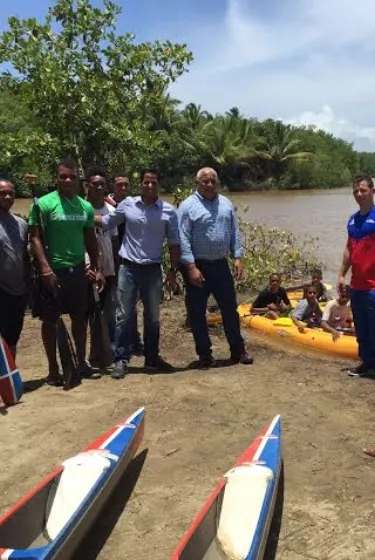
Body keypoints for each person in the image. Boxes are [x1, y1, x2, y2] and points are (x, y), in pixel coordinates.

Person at [94, 167, 180, 378]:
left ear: (159, 184)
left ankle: (152, 358)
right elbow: (106, 222)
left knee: (153, 317)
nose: (149, 186)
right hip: (128, 268)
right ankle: (121, 360)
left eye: (154, 182)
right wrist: (81, 214)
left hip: (153, 270)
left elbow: (174, 243)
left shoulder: (168, 211)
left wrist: (173, 270)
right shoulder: (127, 205)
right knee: (124, 316)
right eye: (146, 182)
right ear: (140, 184)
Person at [28, 158, 104, 386]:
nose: (67, 180)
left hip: (78, 270)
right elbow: (34, 238)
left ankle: (81, 363)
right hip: (53, 271)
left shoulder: (85, 206)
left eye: (71, 176)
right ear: (57, 178)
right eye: (63, 176)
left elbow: (91, 240)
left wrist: (98, 269)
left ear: (78, 179)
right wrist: (45, 269)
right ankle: (53, 370)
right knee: (50, 321)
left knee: (79, 318)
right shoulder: (42, 204)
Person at [178, 167, 253, 369]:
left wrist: (237, 256)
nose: (210, 184)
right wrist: (191, 267)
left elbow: (234, 231)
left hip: (221, 265)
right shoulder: (187, 207)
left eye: (213, 181)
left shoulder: (226, 204)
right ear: (197, 183)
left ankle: (238, 350)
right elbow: (183, 238)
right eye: (205, 181)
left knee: (230, 309)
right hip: (198, 267)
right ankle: (204, 354)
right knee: (197, 313)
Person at [338, 175, 375, 377]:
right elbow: (349, 250)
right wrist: (341, 275)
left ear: (372, 191)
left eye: (363, 190)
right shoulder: (353, 220)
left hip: (373, 286)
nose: (359, 194)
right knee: (361, 329)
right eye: (355, 191)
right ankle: (366, 364)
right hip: (357, 285)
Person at [105, 173, 143, 355]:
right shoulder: (106, 206)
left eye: (126, 185)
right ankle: (116, 343)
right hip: (111, 259)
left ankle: (135, 340)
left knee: (131, 303)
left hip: (130, 260)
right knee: (115, 306)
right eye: (119, 185)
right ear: (113, 187)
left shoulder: (135, 205)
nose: (123, 188)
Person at [86, 168, 118, 353]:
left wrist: (115, 266)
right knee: (90, 312)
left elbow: (114, 240)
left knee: (110, 312)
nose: (98, 187)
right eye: (94, 184)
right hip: (88, 268)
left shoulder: (111, 211)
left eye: (102, 184)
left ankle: (111, 349)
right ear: (87, 186)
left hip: (109, 268)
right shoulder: (81, 208)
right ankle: (94, 351)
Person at [0, 180, 29, 357]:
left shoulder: (21, 224)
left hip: (17, 291)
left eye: (11, 193)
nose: (8, 197)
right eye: (2, 193)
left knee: (12, 339)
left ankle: (8, 382)